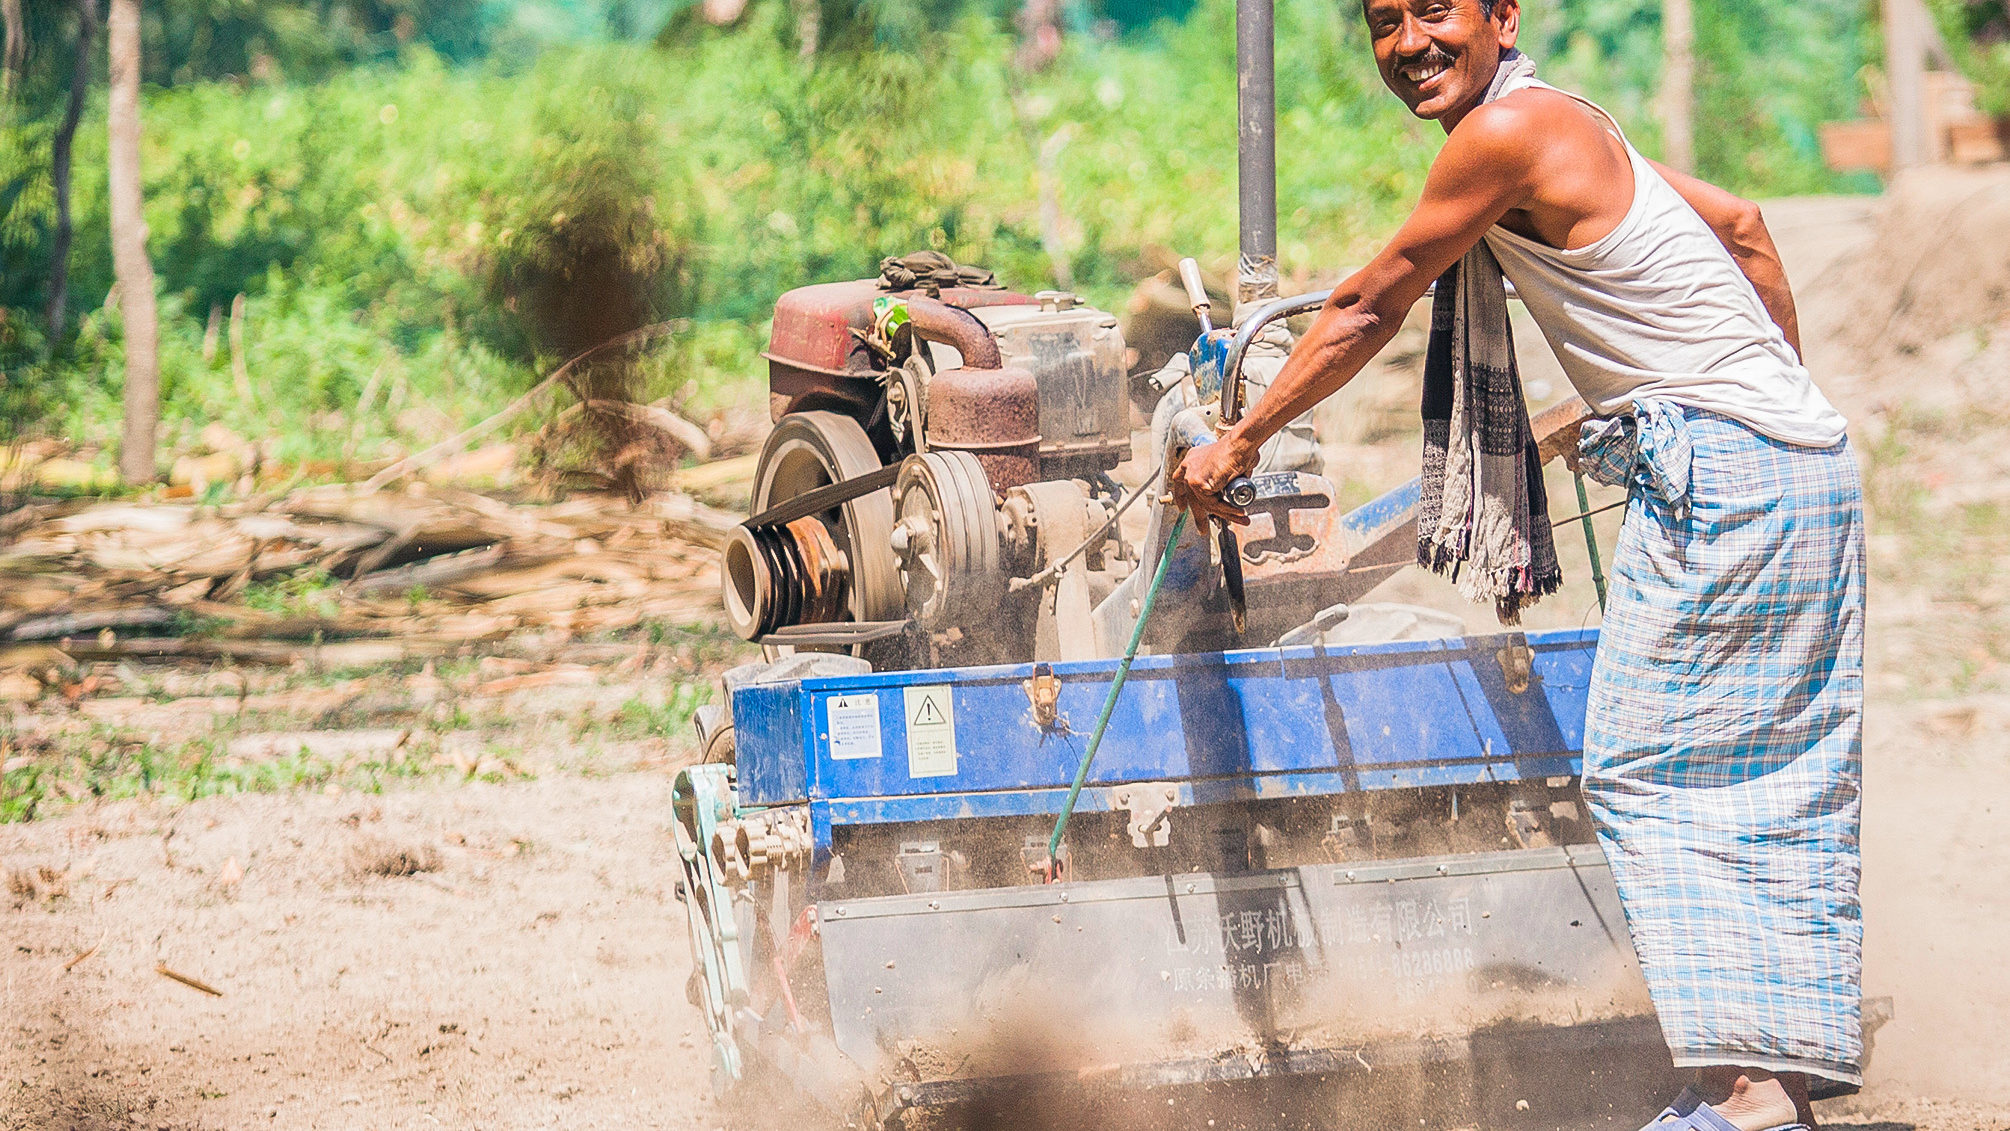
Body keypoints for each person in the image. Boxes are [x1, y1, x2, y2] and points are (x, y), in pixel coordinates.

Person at [1168, 1, 1865, 1128]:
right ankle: (1780, 1073)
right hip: (1802, 463)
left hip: (1726, 473)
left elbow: (1368, 304)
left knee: (1645, 771)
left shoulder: (1502, 136)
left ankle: (1745, 1096)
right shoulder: (1569, 120)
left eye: (1435, 9)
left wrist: (1237, 441)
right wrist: (1767, 400)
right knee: (1765, 770)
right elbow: (1742, 226)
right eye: (1383, 22)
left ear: (1503, 15)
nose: (1409, 42)